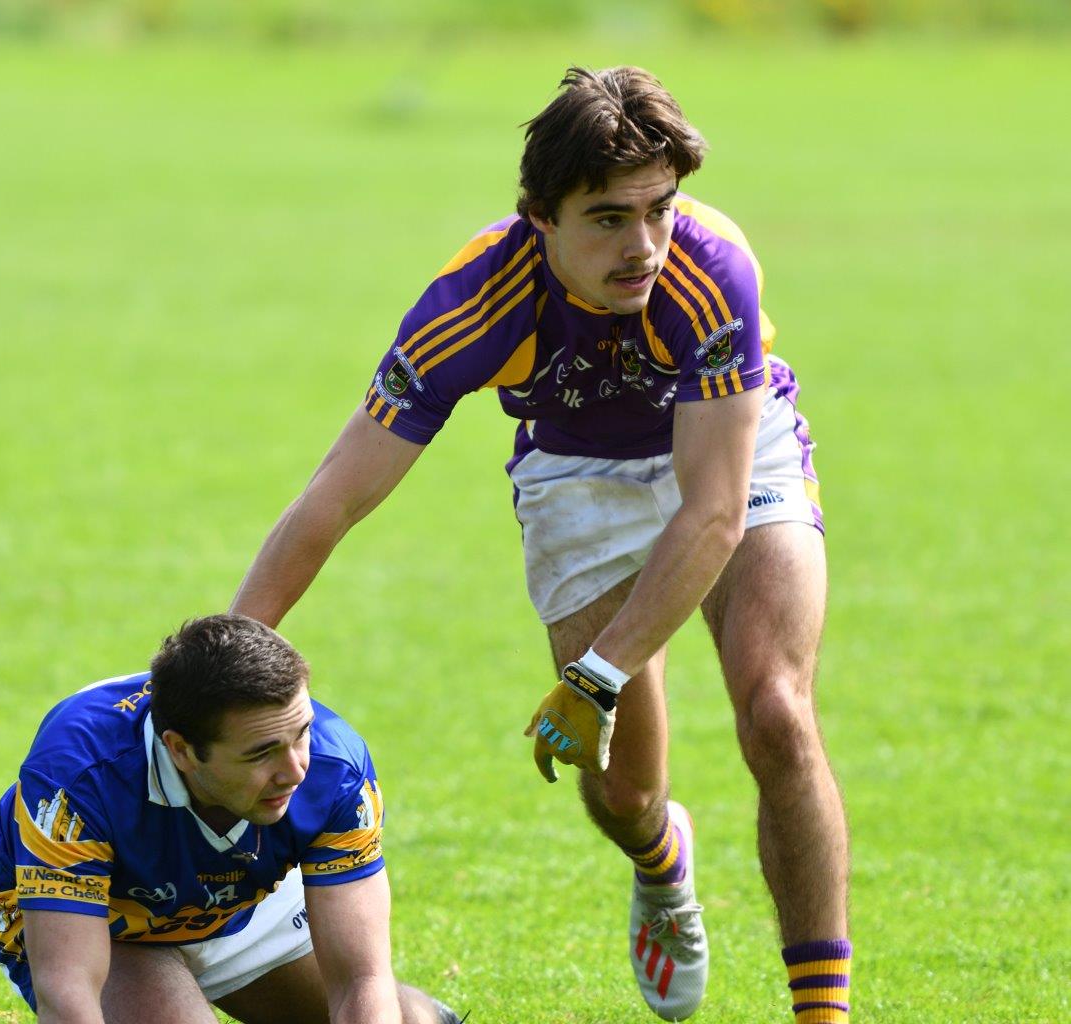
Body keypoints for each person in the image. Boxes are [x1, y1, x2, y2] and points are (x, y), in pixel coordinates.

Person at [229, 66, 852, 1023]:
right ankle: (660, 859)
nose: (642, 245)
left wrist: (597, 674)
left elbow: (715, 515)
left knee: (776, 711)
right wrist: (219, 660)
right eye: (607, 217)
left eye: (659, 209)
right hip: (575, 475)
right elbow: (336, 497)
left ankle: (823, 1011)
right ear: (541, 216)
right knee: (621, 792)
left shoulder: (711, 267)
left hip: (730, 448)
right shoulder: (474, 298)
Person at [0, 614, 463, 1024]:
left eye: (301, 732)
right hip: (110, 923)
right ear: (182, 751)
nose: (295, 771)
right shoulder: (76, 780)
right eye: (261, 754)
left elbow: (360, 979)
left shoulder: (335, 768)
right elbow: (69, 993)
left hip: (244, 903)